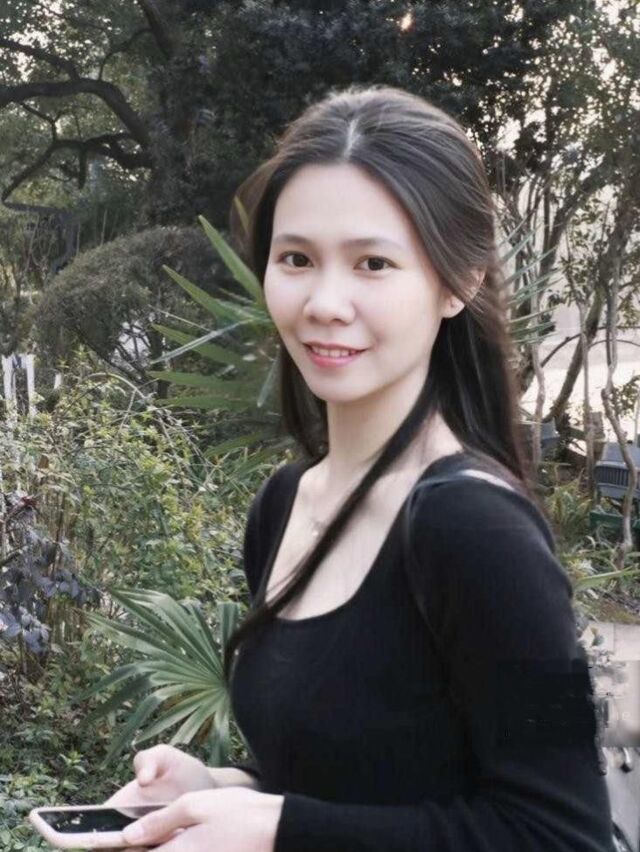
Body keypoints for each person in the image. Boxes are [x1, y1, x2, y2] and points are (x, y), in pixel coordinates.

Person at [102, 84, 615, 851]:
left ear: (460, 281)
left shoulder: (478, 531)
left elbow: (562, 835)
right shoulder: (285, 504)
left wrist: (282, 830)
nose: (324, 302)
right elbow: (359, 781)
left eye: (373, 263)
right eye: (296, 259)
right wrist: (221, 790)